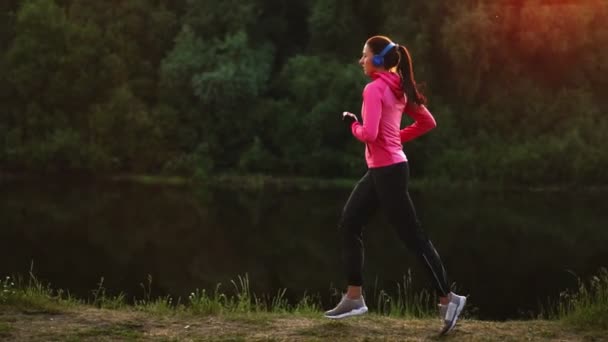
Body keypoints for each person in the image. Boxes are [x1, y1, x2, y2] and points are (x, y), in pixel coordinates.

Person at [323, 35, 466, 335]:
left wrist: (352, 124)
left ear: (376, 60)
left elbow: (370, 134)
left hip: (388, 172)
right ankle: (354, 298)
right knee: (350, 222)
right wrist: (396, 138)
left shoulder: (374, 88)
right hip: (384, 170)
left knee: (413, 237)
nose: (360, 60)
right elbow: (428, 122)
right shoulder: (399, 86)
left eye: (364, 55)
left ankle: (449, 299)